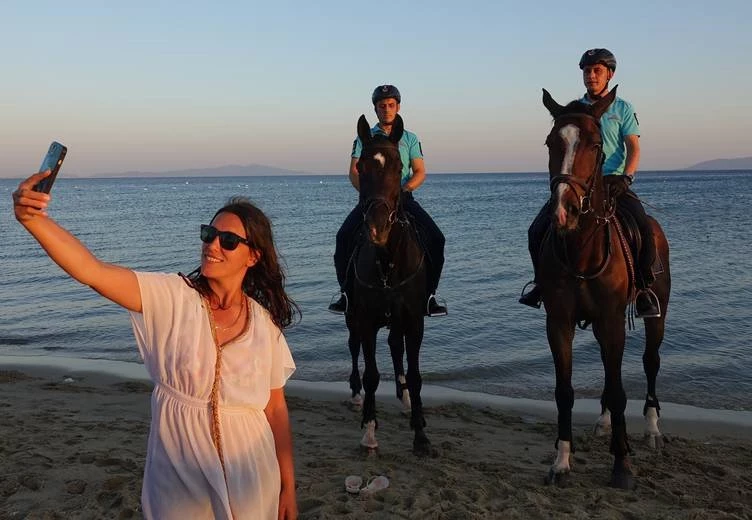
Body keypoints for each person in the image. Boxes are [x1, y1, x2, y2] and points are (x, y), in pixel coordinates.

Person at [13, 170, 299, 520]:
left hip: (252, 473)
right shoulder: (173, 298)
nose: (212, 245)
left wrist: (288, 486)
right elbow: (92, 271)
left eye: (227, 240)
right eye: (209, 234)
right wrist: (33, 220)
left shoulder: (264, 325)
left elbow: (275, 409)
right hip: (178, 471)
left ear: (253, 256)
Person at [519, 48, 661, 318]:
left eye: (597, 70)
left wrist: (627, 177)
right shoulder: (576, 110)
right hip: (580, 184)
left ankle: (643, 288)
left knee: (643, 227)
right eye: (587, 71)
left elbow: (633, 147)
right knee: (536, 230)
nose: (591, 75)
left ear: (610, 74)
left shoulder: (622, 108)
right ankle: (540, 284)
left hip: (613, 182)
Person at [328, 84, 447, 317]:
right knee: (343, 237)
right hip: (373, 201)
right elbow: (354, 171)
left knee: (437, 238)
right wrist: (368, 196)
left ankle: (429, 296)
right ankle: (345, 294)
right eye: (382, 106)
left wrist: (405, 189)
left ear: (398, 107)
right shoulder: (364, 138)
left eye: (391, 105)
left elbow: (419, 171)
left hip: (403, 197)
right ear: (376, 109)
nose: (387, 109)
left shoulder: (410, 138)